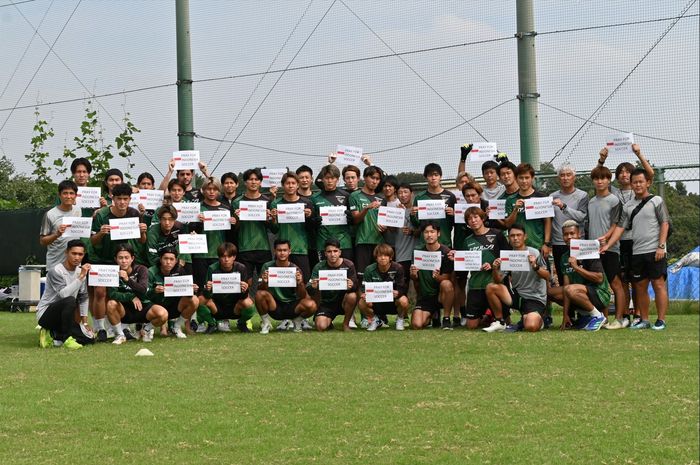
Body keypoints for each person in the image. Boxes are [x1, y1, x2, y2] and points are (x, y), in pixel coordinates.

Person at [601, 168, 670, 330]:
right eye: (635, 182)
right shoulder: (628, 206)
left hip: (655, 251)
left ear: (648, 183)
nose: (638, 185)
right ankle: (644, 320)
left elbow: (664, 223)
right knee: (640, 287)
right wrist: (608, 244)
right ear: (630, 184)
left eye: (641, 181)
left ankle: (661, 320)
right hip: (637, 252)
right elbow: (620, 227)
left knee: (658, 285)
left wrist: (661, 246)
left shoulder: (657, 200)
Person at [597, 143, 654, 323]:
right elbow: (598, 176)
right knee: (623, 280)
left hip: (636, 241)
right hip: (618, 241)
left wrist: (639, 153)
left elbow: (650, 174)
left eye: (627, 171)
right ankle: (626, 314)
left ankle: (638, 313)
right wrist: (602, 160)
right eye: (620, 171)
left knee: (638, 281)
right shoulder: (613, 192)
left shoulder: (640, 190)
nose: (624, 174)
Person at [90, 182, 148, 341]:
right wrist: (101, 233)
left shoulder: (134, 213)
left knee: (125, 290)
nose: (122, 202)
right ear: (112, 198)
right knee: (100, 292)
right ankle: (100, 328)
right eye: (119, 199)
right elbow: (93, 241)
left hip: (124, 260)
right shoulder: (102, 215)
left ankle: (122, 328)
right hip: (104, 259)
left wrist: (143, 232)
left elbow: (142, 241)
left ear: (130, 199)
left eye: (125, 199)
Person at [485, 224, 549, 332]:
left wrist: (535, 266)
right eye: (512, 236)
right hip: (517, 295)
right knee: (491, 287)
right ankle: (500, 321)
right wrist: (495, 269)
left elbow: (547, 276)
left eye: (519, 235)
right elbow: (498, 281)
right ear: (508, 238)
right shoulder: (508, 255)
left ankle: (537, 320)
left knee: (531, 326)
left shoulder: (534, 252)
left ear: (525, 237)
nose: (515, 238)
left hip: (534, 297)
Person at [454, 207, 509, 331]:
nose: (473, 221)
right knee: (471, 325)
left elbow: (507, 256)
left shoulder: (497, 234)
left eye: (475, 217)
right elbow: (464, 263)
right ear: (467, 223)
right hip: (476, 285)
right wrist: (455, 258)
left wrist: (494, 264)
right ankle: (488, 316)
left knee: (506, 321)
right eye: (469, 219)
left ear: (483, 218)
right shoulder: (467, 241)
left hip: (494, 283)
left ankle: (495, 316)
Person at [549, 220, 610, 331]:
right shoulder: (564, 257)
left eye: (572, 233)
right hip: (579, 294)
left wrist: (576, 267)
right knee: (550, 293)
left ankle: (598, 316)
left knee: (571, 290)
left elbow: (599, 278)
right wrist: (565, 315)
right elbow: (566, 289)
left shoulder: (589, 251)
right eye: (566, 234)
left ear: (579, 234)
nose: (569, 237)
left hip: (599, 294)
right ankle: (586, 315)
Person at [588, 165, 627, 329]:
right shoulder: (591, 201)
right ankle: (602, 318)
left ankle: (619, 318)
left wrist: (606, 238)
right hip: (591, 250)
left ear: (609, 180)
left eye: (603, 178)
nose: (600, 181)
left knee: (615, 283)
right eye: (596, 178)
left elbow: (616, 224)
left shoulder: (614, 200)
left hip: (610, 249)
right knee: (597, 285)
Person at [36, 240, 92, 349]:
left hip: (65, 317)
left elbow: (84, 298)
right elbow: (63, 294)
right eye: (74, 253)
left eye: (80, 254)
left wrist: (85, 323)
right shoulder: (56, 271)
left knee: (89, 339)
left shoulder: (80, 272)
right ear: (66, 253)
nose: (77, 257)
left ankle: (53, 335)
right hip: (46, 315)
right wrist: (81, 277)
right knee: (70, 300)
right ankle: (65, 338)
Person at [106, 244, 166, 344]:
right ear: (115, 259)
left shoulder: (141, 269)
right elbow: (112, 294)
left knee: (163, 314)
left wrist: (127, 279)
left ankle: (146, 330)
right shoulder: (112, 272)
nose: (124, 261)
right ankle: (120, 335)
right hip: (124, 309)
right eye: (120, 258)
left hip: (143, 306)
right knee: (111, 303)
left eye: (126, 257)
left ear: (132, 258)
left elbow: (143, 290)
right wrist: (131, 296)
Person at [255, 239, 317, 334]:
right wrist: (264, 282)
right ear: (275, 251)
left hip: (292, 306)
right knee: (259, 294)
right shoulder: (267, 267)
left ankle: (297, 321)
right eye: (279, 250)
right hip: (275, 305)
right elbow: (260, 290)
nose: (282, 253)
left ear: (289, 251)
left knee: (311, 304)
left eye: (285, 250)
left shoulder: (296, 269)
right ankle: (266, 323)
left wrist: (300, 283)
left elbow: (303, 295)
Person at [198, 242, 256, 333]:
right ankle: (212, 324)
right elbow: (207, 295)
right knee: (200, 300)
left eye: (229, 256)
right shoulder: (212, 268)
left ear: (234, 257)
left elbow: (243, 296)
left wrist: (245, 289)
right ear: (219, 257)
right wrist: (208, 289)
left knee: (248, 303)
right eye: (223, 256)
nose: (226, 259)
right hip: (217, 306)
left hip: (235, 306)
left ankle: (241, 323)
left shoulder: (241, 268)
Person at [550, 163, 589, 287]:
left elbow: (582, 217)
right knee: (563, 279)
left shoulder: (582, 195)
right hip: (558, 243)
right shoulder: (552, 196)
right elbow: (548, 220)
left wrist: (564, 207)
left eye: (568, 175)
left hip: (578, 243)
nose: (565, 178)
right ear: (558, 178)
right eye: (562, 175)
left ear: (574, 177)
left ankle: (583, 305)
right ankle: (567, 306)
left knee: (580, 278)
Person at [270, 172, 314, 281]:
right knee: (282, 282)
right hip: (282, 251)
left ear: (298, 185)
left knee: (303, 282)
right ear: (282, 185)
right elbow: (274, 230)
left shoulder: (306, 203)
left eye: (293, 183)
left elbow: (311, 228)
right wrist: (274, 218)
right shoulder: (276, 204)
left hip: (301, 249)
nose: (290, 186)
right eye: (287, 183)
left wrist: (309, 217)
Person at [146, 247, 199, 338]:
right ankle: (148, 328)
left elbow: (186, 291)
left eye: (171, 259)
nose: (168, 262)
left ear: (176, 260)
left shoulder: (180, 270)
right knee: (158, 311)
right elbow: (143, 293)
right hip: (155, 307)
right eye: (165, 259)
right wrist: (153, 291)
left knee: (194, 299)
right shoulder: (151, 271)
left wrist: (191, 288)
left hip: (174, 305)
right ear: (160, 259)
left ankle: (177, 327)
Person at [409, 222, 454, 330]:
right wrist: (413, 274)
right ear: (423, 235)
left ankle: (446, 319)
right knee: (417, 325)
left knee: (446, 284)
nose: (429, 235)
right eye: (426, 232)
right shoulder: (418, 252)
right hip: (425, 296)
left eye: (432, 232)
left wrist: (437, 277)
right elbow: (415, 278)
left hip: (440, 295)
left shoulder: (446, 252)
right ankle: (433, 315)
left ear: (438, 234)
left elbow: (447, 278)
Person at [307, 238, 358, 331]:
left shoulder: (348, 265)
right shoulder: (319, 267)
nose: (332, 254)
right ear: (325, 253)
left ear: (340, 252)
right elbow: (308, 286)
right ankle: (328, 321)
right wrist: (313, 286)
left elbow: (355, 285)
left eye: (335, 251)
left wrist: (351, 285)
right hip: (326, 303)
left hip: (343, 301)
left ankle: (346, 324)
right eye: (329, 251)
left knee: (352, 296)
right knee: (320, 327)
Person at [503, 163, 552, 258]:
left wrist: (546, 243)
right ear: (516, 179)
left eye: (527, 177)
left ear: (532, 178)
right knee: (519, 273)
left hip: (537, 245)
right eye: (521, 178)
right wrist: (516, 209)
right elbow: (508, 224)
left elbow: (547, 221)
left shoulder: (541, 197)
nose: (524, 181)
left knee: (540, 271)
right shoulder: (510, 200)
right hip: (517, 246)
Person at [231, 168, 273, 277]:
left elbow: (274, 228)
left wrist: (268, 219)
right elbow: (233, 229)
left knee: (265, 282)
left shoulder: (267, 201)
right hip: (244, 248)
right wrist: (237, 219)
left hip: (263, 247)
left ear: (260, 182)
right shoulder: (237, 202)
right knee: (246, 283)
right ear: (245, 182)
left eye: (256, 179)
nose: (253, 182)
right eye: (250, 179)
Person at [358, 244, 409, 331]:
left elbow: (402, 287)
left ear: (390, 257)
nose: (383, 258)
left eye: (386, 255)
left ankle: (400, 319)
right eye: (380, 255)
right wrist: (365, 295)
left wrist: (398, 292)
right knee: (361, 302)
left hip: (393, 301)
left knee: (404, 300)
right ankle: (375, 320)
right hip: (376, 302)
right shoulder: (369, 269)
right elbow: (364, 288)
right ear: (376, 257)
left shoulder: (398, 268)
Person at [310, 164, 354, 261]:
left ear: (337, 180)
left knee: (344, 272)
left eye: (332, 178)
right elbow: (310, 222)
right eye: (327, 178)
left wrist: (351, 218)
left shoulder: (346, 196)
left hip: (344, 242)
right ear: (322, 179)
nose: (329, 181)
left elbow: (354, 219)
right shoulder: (314, 198)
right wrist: (314, 221)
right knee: (324, 273)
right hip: (323, 242)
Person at [350, 166, 385, 279]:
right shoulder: (355, 196)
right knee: (362, 276)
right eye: (372, 177)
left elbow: (386, 221)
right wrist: (366, 208)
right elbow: (355, 219)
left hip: (379, 242)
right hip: (362, 241)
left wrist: (386, 227)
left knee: (378, 276)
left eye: (377, 179)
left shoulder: (381, 198)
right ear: (364, 178)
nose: (375, 181)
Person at [411, 163, 456, 248]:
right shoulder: (419, 197)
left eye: (436, 175)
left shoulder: (450, 196)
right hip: (425, 245)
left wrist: (454, 215)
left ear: (440, 177)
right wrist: (412, 215)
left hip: (444, 243)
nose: (433, 178)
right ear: (426, 178)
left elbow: (455, 223)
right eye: (430, 175)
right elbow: (417, 224)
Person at [40, 180, 82, 271]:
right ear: (59, 195)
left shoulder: (78, 211)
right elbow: (42, 241)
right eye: (65, 193)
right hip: (55, 264)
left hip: (74, 264)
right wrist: (56, 234)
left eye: (71, 193)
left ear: (76, 195)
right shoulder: (50, 214)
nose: (68, 196)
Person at [146, 205, 191, 270]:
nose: (167, 223)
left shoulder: (180, 227)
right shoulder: (152, 232)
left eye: (170, 219)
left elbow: (184, 252)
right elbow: (152, 258)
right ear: (160, 219)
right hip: (161, 265)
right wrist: (170, 264)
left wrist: (192, 237)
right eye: (164, 219)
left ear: (175, 219)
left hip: (178, 262)